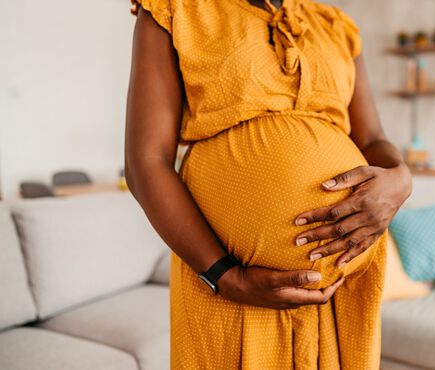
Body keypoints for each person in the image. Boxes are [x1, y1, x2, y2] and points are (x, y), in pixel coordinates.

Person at [125, 0, 412, 368]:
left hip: (339, 292)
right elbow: (145, 162)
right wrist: (226, 277)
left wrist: (400, 177)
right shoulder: (175, 9)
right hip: (228, 283)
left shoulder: (336, 26)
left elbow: (371, 138)